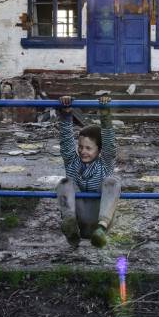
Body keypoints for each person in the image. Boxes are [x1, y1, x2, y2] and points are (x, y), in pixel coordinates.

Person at [56, 94, 121, 248]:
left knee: (112, 182)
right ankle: (70, 224)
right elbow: (66, 142)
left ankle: (101, 229)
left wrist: (104, 112)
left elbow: (109, 143)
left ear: (99, 150)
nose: (83, 151)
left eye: (88, 148)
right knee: (64, 183)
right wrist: (66, 113)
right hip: (77, 218)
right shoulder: (72, 162)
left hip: (99, 220)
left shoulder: (105, 164)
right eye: (80, 147)